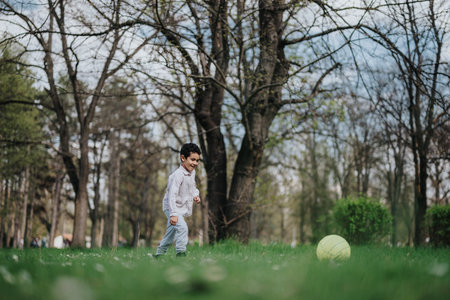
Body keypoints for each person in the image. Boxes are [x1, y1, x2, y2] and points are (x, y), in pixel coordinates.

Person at [155, 143, 202, 257]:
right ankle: (181, 253)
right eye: (192, 160)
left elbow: (192, 187)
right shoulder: (177, 175)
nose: (195, 163)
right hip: (171, 207)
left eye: (197, 160)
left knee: (170, 235)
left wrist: (195, 195)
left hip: (178, 209)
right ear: (183, 158)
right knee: (183, 228)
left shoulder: (192, 173)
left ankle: (159, 255)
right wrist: (173, 214)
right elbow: (172, 195)